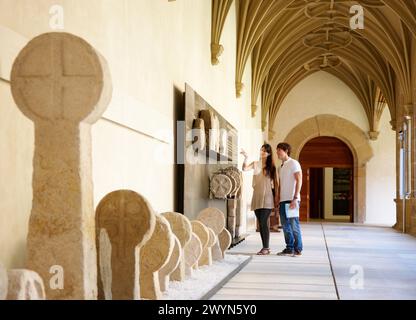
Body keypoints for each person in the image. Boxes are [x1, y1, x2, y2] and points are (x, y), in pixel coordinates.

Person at [241, 144, 280, 256]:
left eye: (265, 151)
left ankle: (266, 247)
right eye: (261, 150)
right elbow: (244, 168)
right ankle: (265, 247)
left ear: (269, 153)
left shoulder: (272, 167)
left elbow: (276, 183)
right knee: (261, 223)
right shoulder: (255, 164)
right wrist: (246, 157)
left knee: (263, 222)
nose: (262, 152)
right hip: (257, 196)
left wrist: (277, 196)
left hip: (267, 197)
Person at [276, 142, 304, 257]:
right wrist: (278, 198)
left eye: (279, 150)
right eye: (277, 150)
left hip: (292, 199)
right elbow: (280, 184)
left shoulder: (294, 163)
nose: (277, 152)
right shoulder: (280, 167)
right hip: (283, 200)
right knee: (285, 226)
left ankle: (298, 249)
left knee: (294, 225)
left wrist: (295, 197)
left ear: (286, 150)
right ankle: (289, 248)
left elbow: (299, 180)